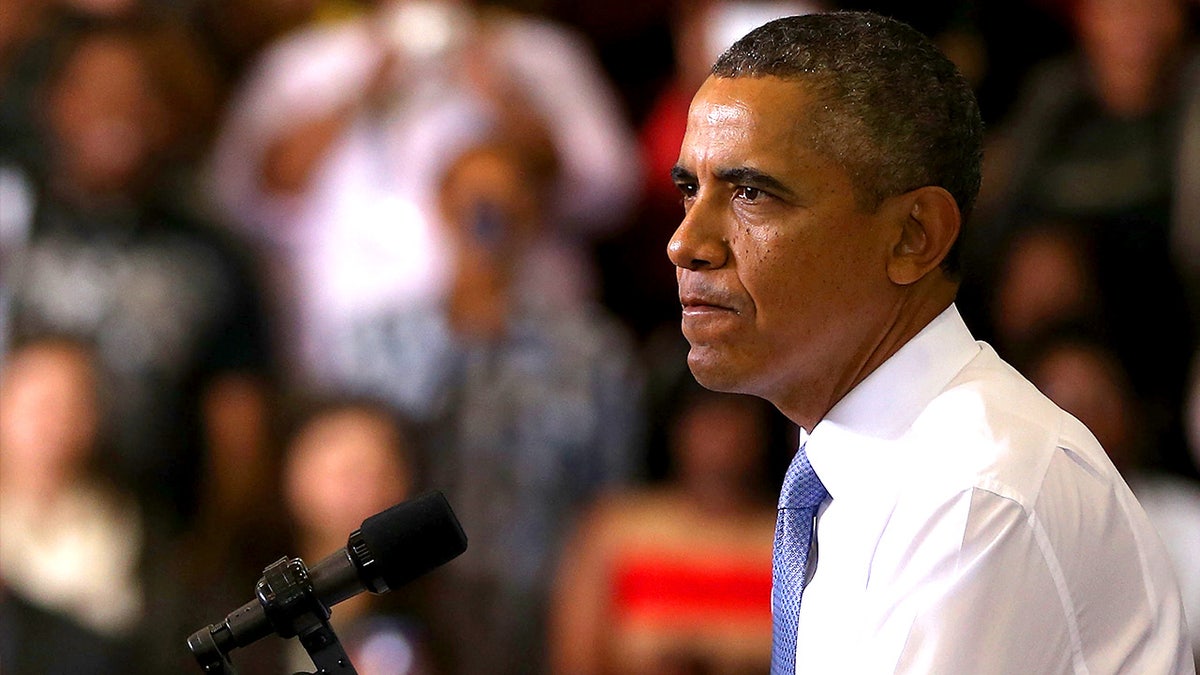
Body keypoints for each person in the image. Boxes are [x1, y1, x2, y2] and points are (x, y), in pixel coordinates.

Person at [666, 11, 1193, 674]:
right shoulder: (866, 465)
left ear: (915, 235)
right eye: (689, 190)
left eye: (750, 193)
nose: (685, 242)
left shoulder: (974, 493)